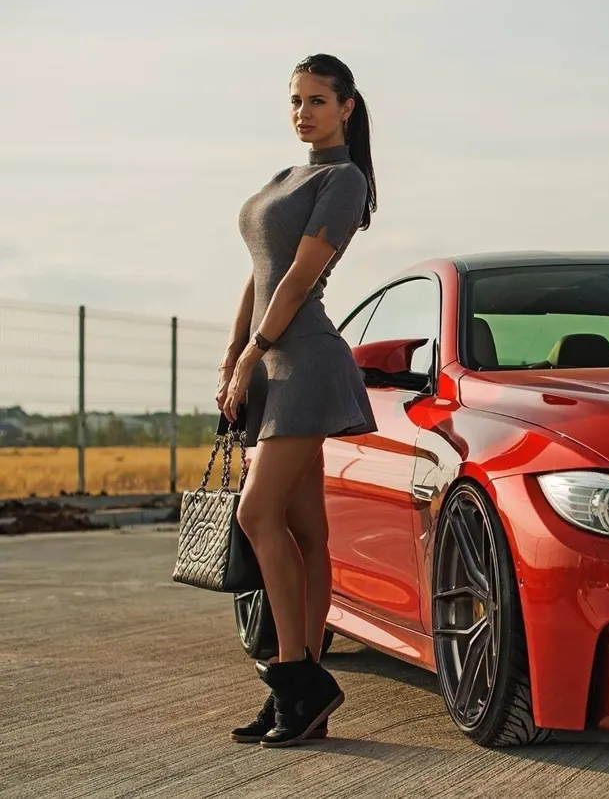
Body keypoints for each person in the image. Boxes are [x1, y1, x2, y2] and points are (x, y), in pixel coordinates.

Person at [214, 53, 379, 748]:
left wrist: (255, 354)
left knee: (258, 514)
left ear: (346, 107)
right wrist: (232, 354)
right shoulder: (284, 178)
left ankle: (294, 678)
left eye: (317, 100)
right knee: (305, 530)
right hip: (269, 362)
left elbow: (299, 281)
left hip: (304, 362)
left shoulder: (345, 181)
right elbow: (258, 276)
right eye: (295, 100)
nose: (303, 112)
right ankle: (301, 691)